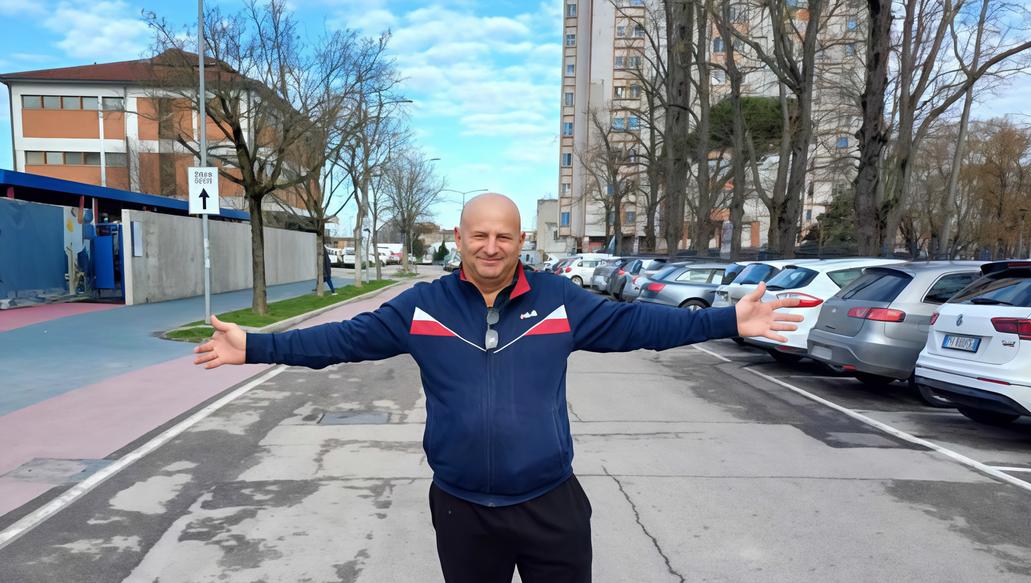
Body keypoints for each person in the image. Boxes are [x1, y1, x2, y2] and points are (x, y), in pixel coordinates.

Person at [193, 193, 803, 583]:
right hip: (462, 509)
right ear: (460, 239)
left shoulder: (560, 302)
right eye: (479, 235)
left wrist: (729, 320)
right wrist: (253, 345)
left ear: (520, 242)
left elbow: (642, 323)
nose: (492, 246)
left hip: (549, 504)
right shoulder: (422, 308)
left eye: (504, 236)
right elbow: (340, 341)